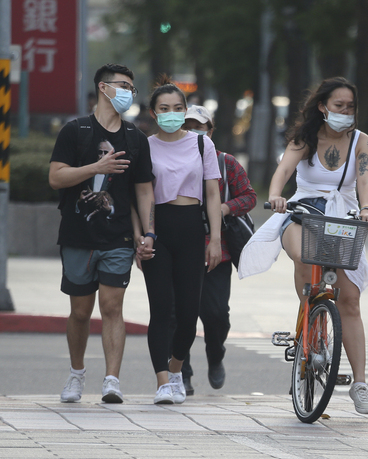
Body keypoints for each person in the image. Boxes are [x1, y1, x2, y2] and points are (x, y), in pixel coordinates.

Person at [238, 77, 368, 414]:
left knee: (352, 302)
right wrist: (275, 195)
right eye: (339, 106)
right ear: (322, 106)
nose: (346, 112)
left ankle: (359, 384)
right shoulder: (306, 138)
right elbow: (283, 170)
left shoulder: (361, 141)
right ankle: (309, 314)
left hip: (342, 216)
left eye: (351, 107)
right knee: (305, 254)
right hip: (302, 211)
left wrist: (367, 209)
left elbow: (366, 180)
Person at [49, 63, 155, 403]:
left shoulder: (136, 137)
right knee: (80, 311)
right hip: (78, 235)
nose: (127, 92)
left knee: (112, 307)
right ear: (102, 87)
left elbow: (143, 190)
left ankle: (112, 380)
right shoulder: (75, 131)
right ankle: (77, 374)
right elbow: (56, 178)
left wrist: (147, 232)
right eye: (121, 85)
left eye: (131, 87)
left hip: (118, 236)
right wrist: (96, 168)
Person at [138, 77, 222, 404]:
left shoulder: (202, 145)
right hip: (159, 228)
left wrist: (214, 238)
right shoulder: (145, 145)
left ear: (185, 110)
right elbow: (142, 194)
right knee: (161, 309)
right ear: (153, 112)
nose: (171, 113)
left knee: (188, 314)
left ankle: (176, 368)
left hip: (191, 228)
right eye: (164, 109)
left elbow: (213, 193)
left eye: (177, 108)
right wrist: (145, 234)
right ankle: (162, 382)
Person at [179, 105, 257, 394]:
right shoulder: (168, 159)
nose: (193, 133)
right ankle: (182, 374)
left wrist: (223, 208)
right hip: (178, 250)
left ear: (210, 132)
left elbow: (249, 196)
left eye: (200, 127)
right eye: (187, 126)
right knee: (179, 315)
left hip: (217, 252)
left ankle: (215, 355)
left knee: (215, 316)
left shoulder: (227, 163)